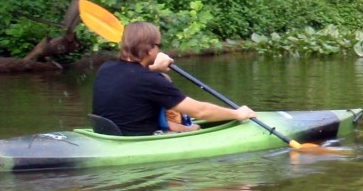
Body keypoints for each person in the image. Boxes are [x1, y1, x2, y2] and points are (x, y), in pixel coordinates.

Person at [92, 21, 256, 136]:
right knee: (195, 127)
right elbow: (200, 111)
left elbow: (131, 75)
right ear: (150, 50)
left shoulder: (106, 67)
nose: (159, 50)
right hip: (137, 139)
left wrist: (155, 68)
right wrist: (237, 114)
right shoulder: (151, 80)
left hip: (108, 133)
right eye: (158, 45)